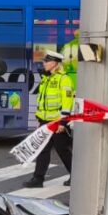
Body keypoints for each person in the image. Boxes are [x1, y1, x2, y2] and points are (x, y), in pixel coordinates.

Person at [27, 50, 74, 188]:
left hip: (57, 122)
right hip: (45, 122)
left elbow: (67, 102)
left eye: (47, 61)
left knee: (62, 150)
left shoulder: (63, 79)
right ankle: (38, 179)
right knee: (43, 149)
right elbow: (42, 101)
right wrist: (40, 120)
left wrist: (63, 123)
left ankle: (75, 176)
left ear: (55, 63)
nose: (44, 63)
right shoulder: (46, 79)